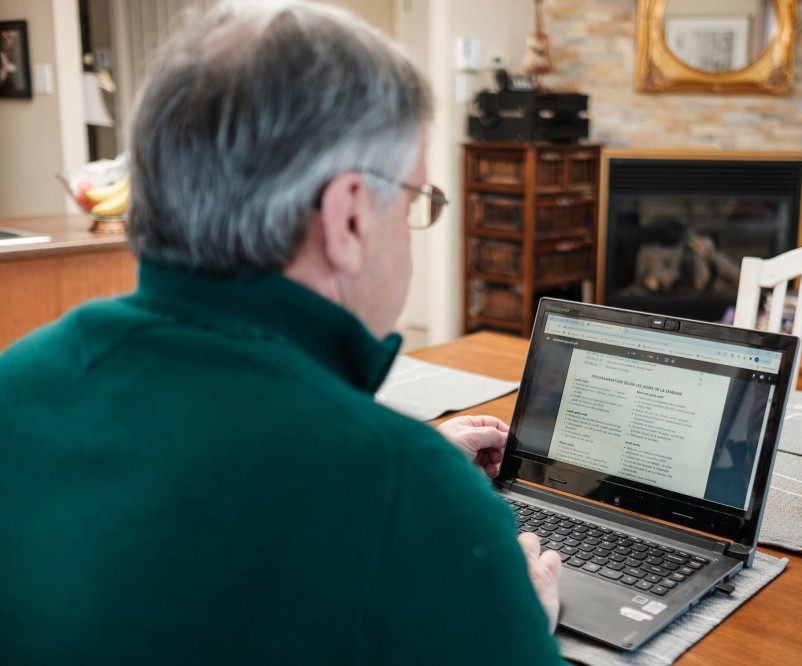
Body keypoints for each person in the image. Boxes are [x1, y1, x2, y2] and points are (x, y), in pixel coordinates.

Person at [0, 1, 565, 663]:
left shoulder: (17, 382)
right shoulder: (417, 498)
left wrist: (392, 464)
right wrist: (518, 614)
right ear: (350, 217)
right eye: (416, 201)